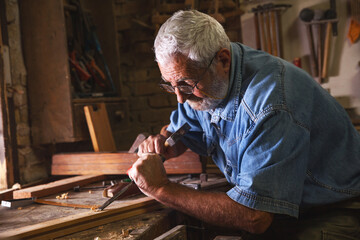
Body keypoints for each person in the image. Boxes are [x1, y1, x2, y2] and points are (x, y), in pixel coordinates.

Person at [127, 9, 360, 239]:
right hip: (286, 209)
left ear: (223, 60)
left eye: (186, 84)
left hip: (335, 208)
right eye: (170, 85)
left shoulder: (272, 103)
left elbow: (255, 216)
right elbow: (183, 127)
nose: (179, 97)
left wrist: (161, 189)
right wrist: (166, 142)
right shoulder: (206, 79)